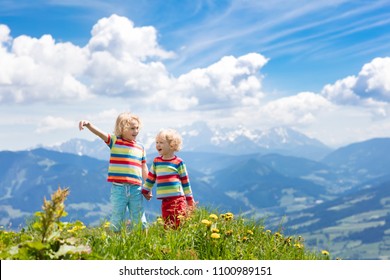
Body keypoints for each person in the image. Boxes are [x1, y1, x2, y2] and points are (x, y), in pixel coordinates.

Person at [79, 112, 148, 232]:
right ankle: (114, 242)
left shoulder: (140, 147)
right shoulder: (115, 141)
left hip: (136, 189)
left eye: (137, 128)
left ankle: (143, 240)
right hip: (119, 189)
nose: (136, 131)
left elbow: (144, 167)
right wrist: (89, 125)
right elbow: (101, 134)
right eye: (132, 128)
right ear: (122, 128)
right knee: (117, 217)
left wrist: (147, 187)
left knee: (139, 217)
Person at [142, 128, 195, 228]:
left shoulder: (178, 162)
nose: (158, 145)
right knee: (167, 224)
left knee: (179, 223)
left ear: (172, 145)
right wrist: (145, 190)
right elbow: (151, 178)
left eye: (161, 142)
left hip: (178, 200)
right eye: (156, 142)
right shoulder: (156, 161)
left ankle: (179, 240)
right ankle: (169, 241)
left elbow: (185, 183)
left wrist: (190, 200)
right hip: (165, 201)